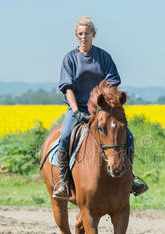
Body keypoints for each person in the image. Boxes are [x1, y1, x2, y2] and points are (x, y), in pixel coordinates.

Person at [53, 16, 148, 200]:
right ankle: (64, 182)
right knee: (64, 136)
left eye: (86, 33)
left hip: (102, 109)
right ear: (76, 36)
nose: (83, 36)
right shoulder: (70, 59)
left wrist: (109, 104)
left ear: (93, 34)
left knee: (128, 136)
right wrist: (75, 110)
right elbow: (67, 88)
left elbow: (113, 81)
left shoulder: (104, 57)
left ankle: (131, 180)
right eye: (80, 33)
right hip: (77, 109)